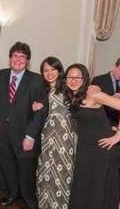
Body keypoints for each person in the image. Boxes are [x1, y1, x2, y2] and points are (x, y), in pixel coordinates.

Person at [63, 63, 120, 209]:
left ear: (84, 79)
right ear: (65, 79)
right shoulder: (71, 95)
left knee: (97, 186)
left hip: (102, 146)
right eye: (70, 77)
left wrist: (118, 135)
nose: (73, 80)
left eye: (78, 77)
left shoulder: (92, 93)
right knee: (84, 183)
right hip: (84, 145)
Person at [0, 41, 49, 209]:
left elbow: (42, 111)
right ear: (10, 58)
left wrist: (30, 136)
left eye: (22, 57)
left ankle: (31, 202)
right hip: (1, 135)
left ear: (28, 61)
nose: (18, 59)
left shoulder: (37, 80)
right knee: (9, 170)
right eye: (15, 56)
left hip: (24, 136)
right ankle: (14, 195)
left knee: (26, 173)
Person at [34, 57, 76, 209]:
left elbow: (84, 102)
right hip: (45, 137)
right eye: (46, 70)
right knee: (44, 171)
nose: (49, 73)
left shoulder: (68, 89)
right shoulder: (40, 90)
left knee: (62, 171)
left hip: (64, 139)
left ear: (59, 71)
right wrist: (34, 108)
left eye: (53, 69)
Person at [91, 55, 120, 127]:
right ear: (115, 66)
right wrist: (111, 99)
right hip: (102, 124)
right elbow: (92, 104)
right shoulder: (99, 80)